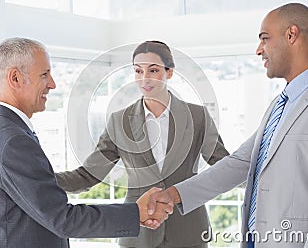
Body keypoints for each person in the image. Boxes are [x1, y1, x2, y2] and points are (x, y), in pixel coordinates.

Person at [147, 3, 308, 248]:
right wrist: (173, 195)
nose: (259, 50)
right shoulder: (280, 104)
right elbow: (239, 163)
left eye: (265, 38)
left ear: (291, 35)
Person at [0, 37, 173, 248]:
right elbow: (63, 219)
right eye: (44, 74)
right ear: (15, 78)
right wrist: (135, 212)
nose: (52, 83)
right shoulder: (12, 140)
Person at [55, 40, 229, 247]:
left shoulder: (197, 116)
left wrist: (260, 172)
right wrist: (38, 179)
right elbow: (88, 175)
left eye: (153, 70)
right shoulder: (119, 121)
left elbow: (224, 167)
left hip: (188, 231)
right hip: (138, 235)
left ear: (169, 72)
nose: (144, 78)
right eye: (138, 71)